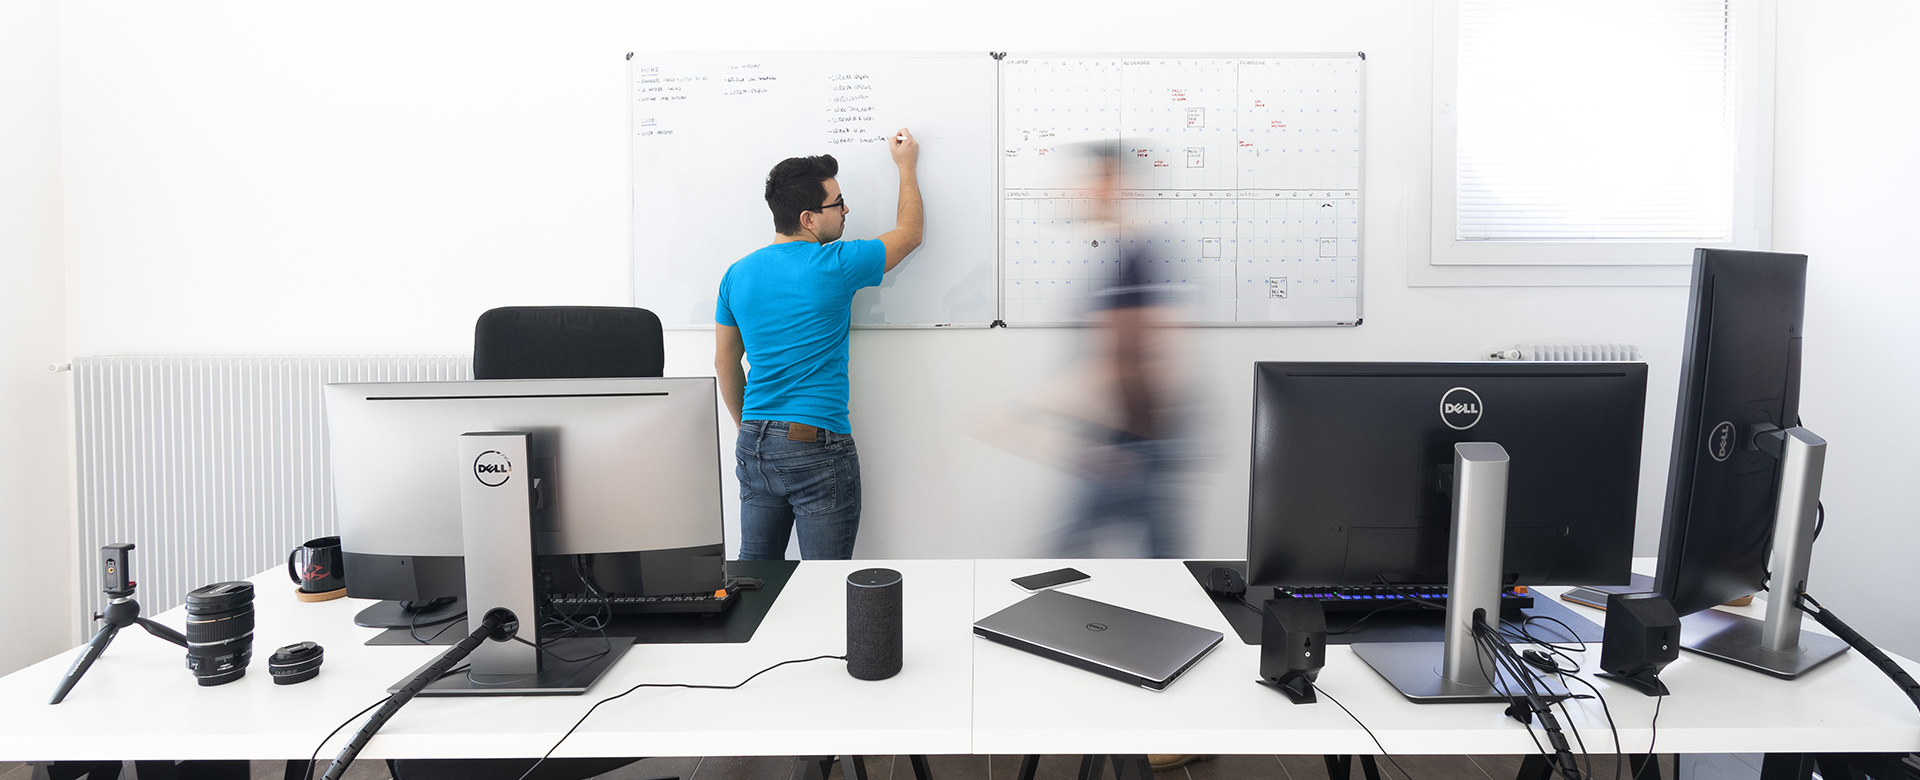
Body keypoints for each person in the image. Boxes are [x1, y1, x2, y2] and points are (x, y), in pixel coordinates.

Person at [714, 129, 923, 560]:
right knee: (825, 581)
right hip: (815, 443)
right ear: (808, 218)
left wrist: (749, 425)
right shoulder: (836, 264)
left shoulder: (736, 274)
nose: (846, 210)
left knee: (756, 575)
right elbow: (910, 232)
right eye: (837, 203)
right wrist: (906, 166)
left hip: (754, 440)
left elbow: (725, 362)